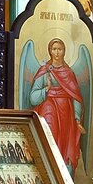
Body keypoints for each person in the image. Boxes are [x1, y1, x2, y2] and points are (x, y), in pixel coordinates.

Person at [28, 39, 85, 176]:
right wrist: (46, 89)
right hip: (49, 109)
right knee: (50, 137)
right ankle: (48, 172)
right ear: (50, 51)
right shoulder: (44, 72)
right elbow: (33, 98)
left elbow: (76, 97)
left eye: (60, 49)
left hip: (66, 113)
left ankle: (64, 177)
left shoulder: (69, 73)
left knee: (65, 145)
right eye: (54, 49)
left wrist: (77, 119)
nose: (57, 52)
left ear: (64, 51)